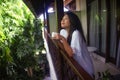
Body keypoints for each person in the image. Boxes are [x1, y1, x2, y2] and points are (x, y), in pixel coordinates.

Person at [53, 11, 94, 77]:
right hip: (76, 67)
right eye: (62, 19)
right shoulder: (63, 32)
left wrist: (62, 39)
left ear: (72, 21)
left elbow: (70, 53)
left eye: (65, 19)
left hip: (84, 68)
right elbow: (65, 48)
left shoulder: (76, 34)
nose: (62, 20)